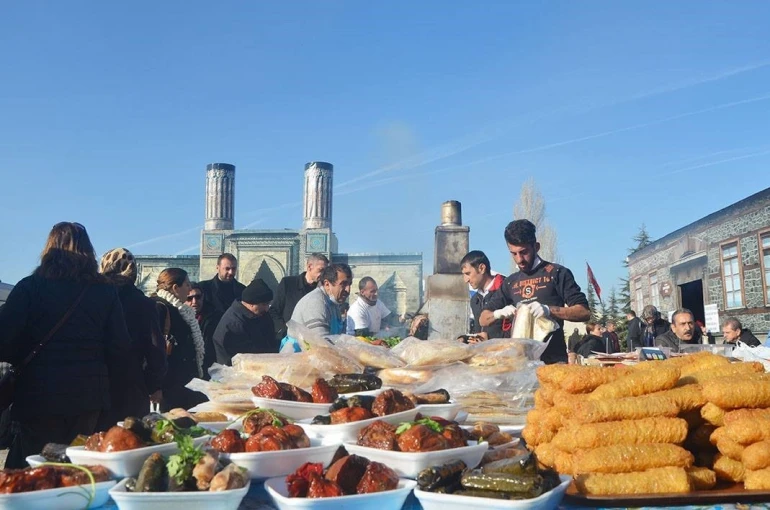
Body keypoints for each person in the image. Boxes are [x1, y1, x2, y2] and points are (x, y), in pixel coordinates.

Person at [0, 222, 140, 467]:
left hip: (38, 397)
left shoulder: (30, 287)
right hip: (88, 399)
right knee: (78, 467)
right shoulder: (104, 292)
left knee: (37, 467)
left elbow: (4, 338)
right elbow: (120, 349)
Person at [480, 220, 590, 364]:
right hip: (521, 365)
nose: (519, 259)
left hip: (553, 363)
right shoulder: (510, 282)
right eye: (514, 253)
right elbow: (483, 318)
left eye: (524, 252)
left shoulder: (557, 273)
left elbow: (584, 312)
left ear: (536, 247)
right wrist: (497, 313)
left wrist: (549, 310)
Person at [98, 248, 167, 429]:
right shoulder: (143, 303)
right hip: (130, 385)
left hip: (96, 384)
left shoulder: (94, 299)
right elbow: (155, 349)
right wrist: (153, 385)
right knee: (130, 442)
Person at [151, 268, 207, 411]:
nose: (189, 289)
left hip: (181, 384)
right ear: (175, 288)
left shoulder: (179, 310)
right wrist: (156, 386)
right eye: (187, 285)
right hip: (169, 386)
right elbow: (153, 349)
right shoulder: (160, 308)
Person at [213, 279, 278, 365]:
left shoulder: (260, 314)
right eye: (264, 304)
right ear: (251, 303)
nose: (267, 308)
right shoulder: (234, 324)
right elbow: (248, 357)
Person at [270, 253, 329, 341]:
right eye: (321, 270)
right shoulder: (288, 284)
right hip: (289, 340)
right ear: (309, 267)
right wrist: (284, 331)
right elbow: (274, 311)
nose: (323, 274)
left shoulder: (322, 290)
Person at [291, 263, 352, 337]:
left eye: (349, 284)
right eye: (343, 284)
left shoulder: (334, 304)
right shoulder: (315, 303)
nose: (348, 290)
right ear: (327, 284)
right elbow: (321, 343)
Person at [461, 251, 508, 340]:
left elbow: (518, 329)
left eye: (468, 273)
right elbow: (478, 332)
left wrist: (489, 339)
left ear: (482, 268)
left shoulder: (507, 290)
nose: (465, 280)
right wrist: (465, 339)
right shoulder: (475, 300)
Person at [187, 282, 222, 376]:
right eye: (189, 298)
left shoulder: (214, 317)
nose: (194, 302)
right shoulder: (178, 317)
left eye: (198, 297)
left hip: (208, 367)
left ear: (203, 297)